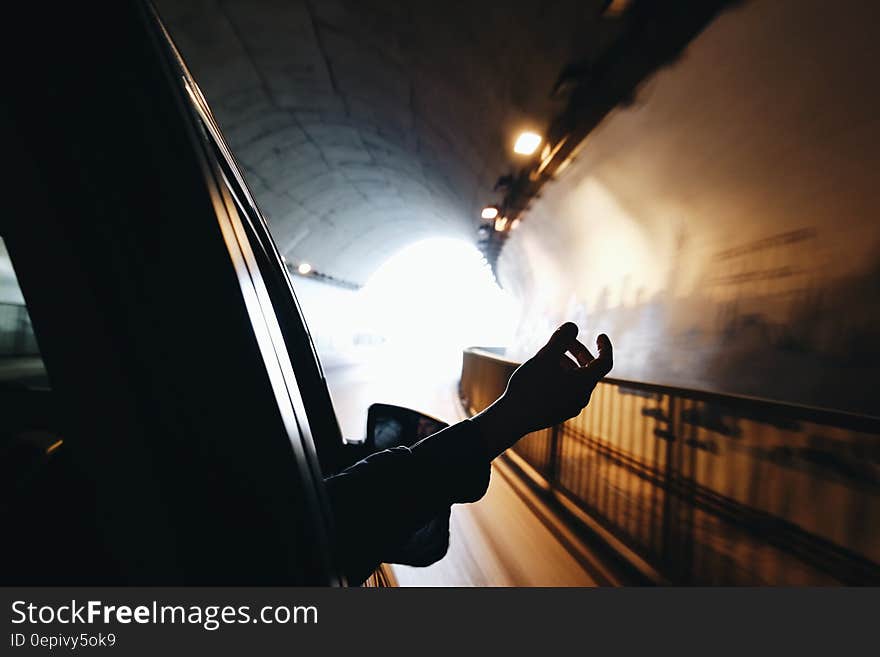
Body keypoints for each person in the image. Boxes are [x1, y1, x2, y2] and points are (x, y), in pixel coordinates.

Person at [325, 322, 613, 584]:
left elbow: (356, 502)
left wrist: (514, 413)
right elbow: (354, 507)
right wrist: (514, 413)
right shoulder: (309, 527)